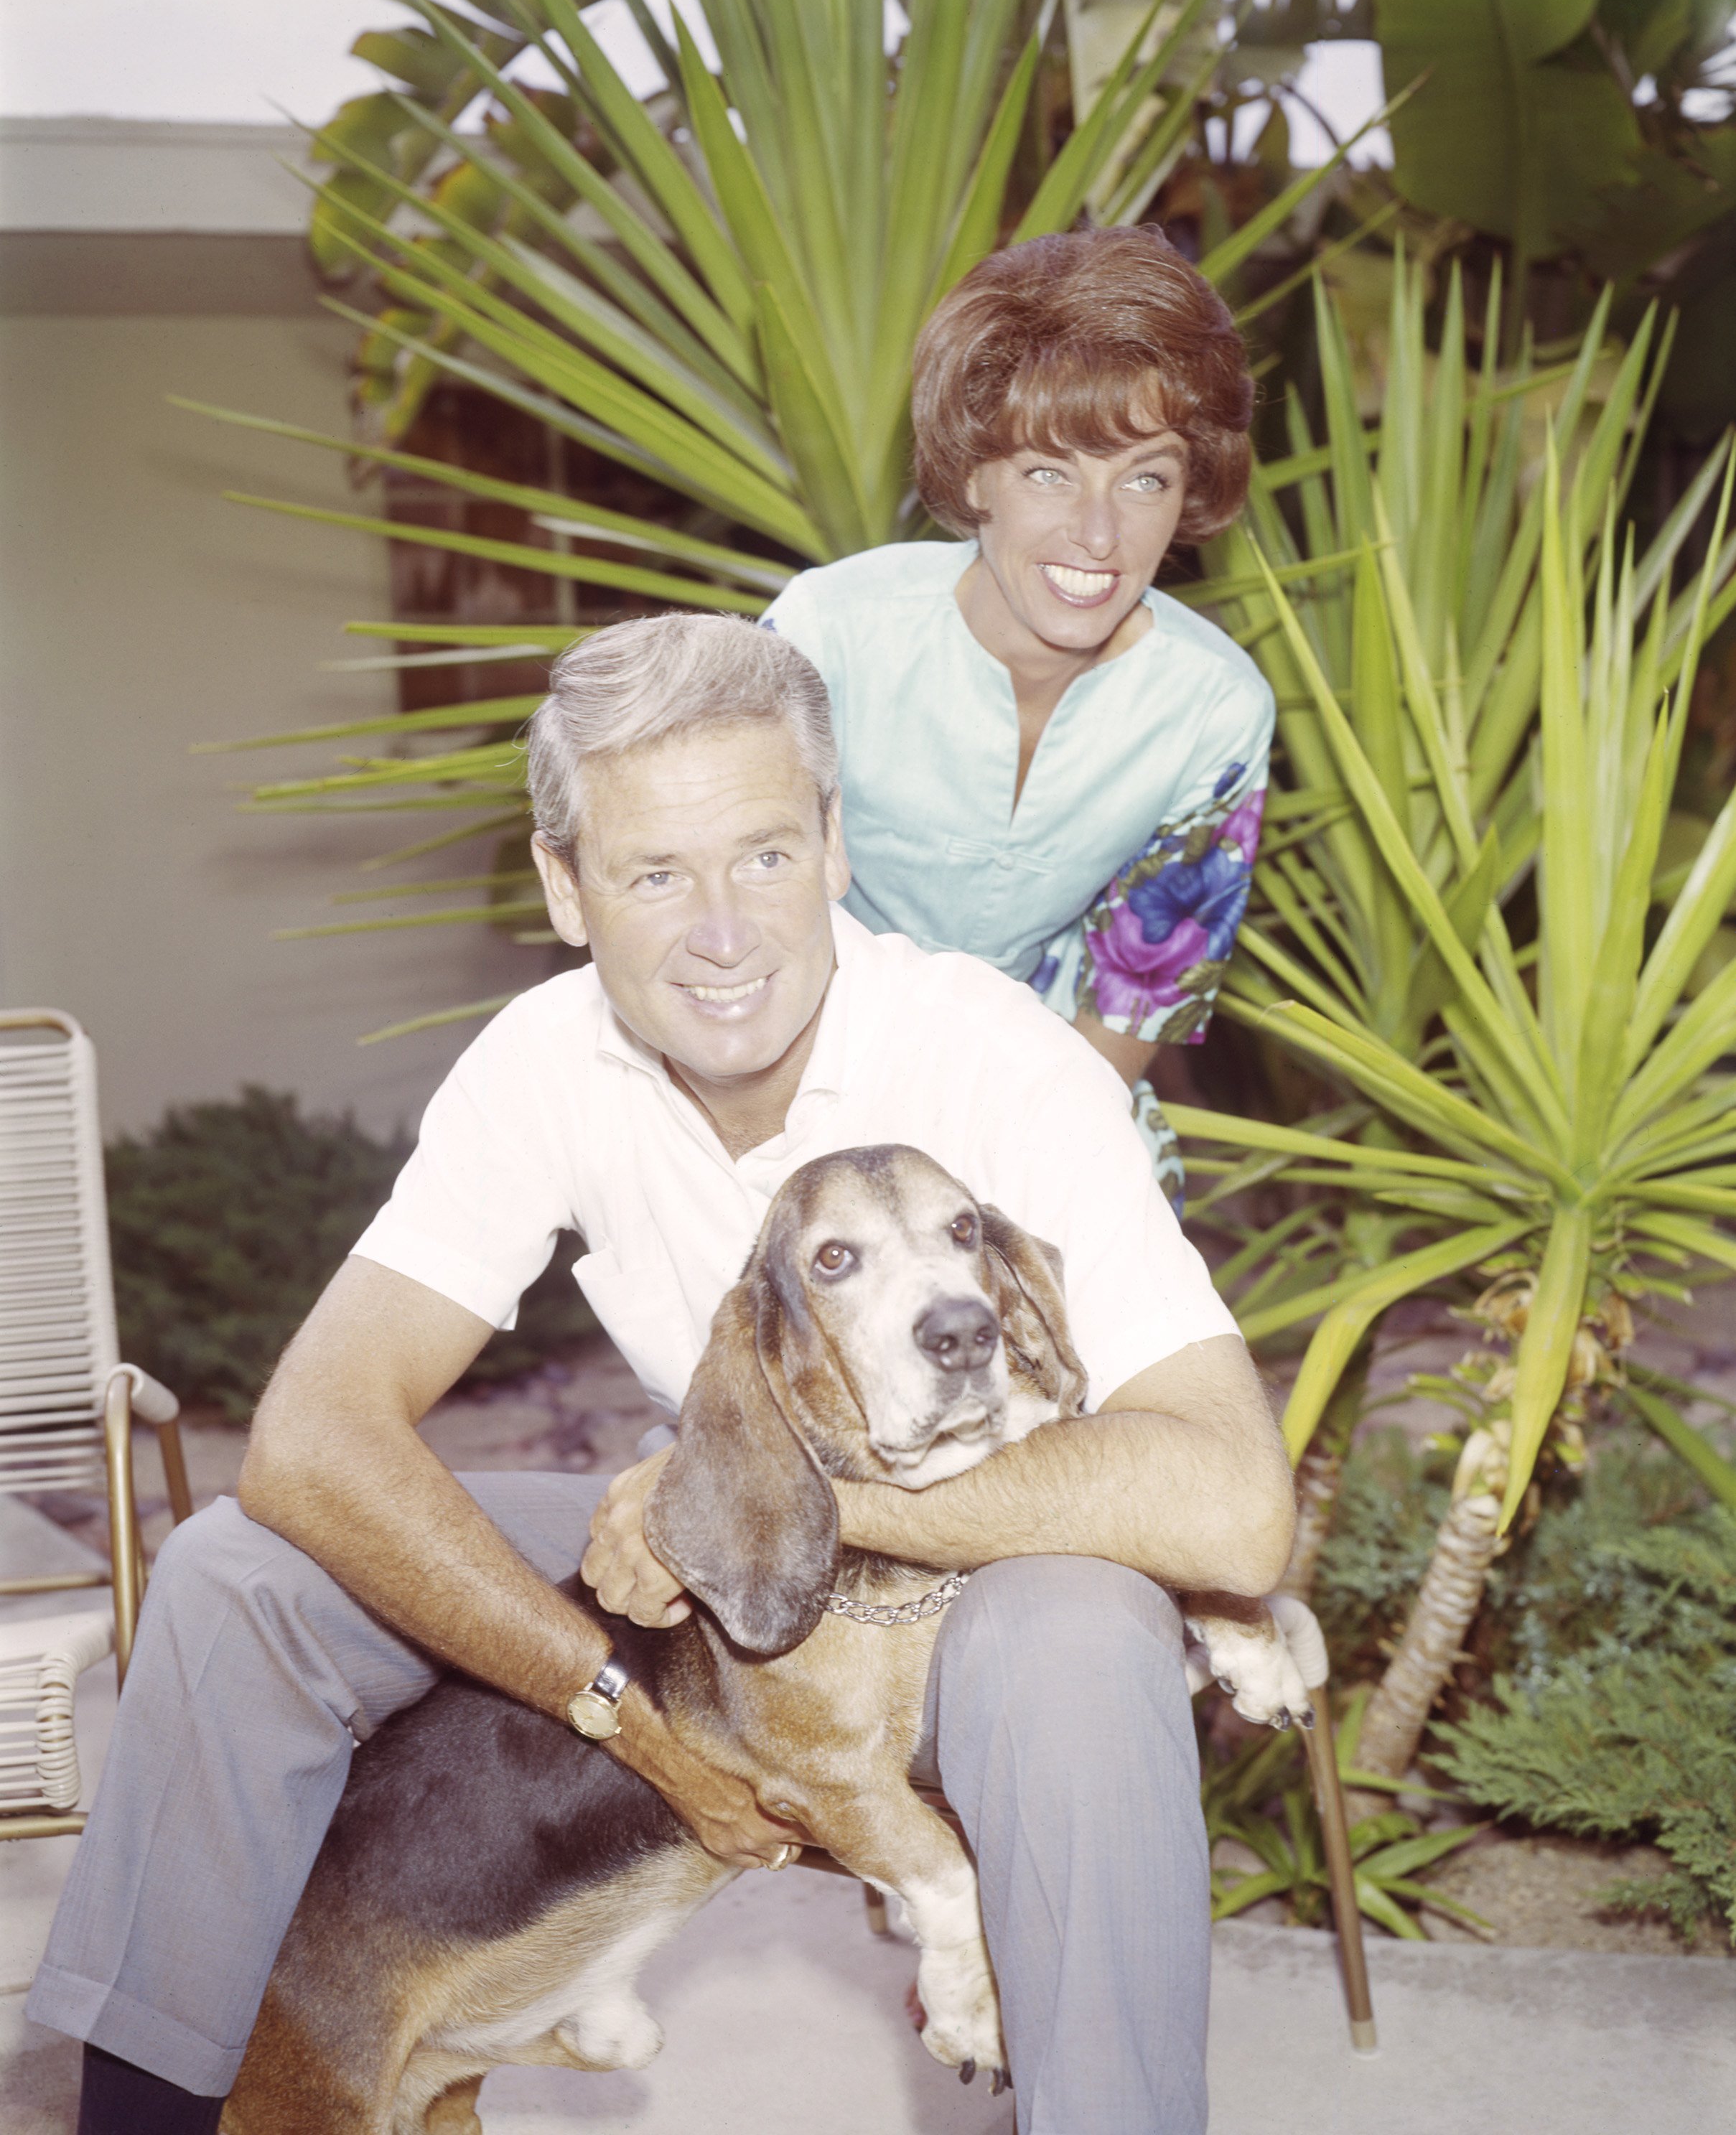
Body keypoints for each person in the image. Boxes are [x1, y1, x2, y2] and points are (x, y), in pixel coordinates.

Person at [32, 615, 1294, 2135]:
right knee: (242, 1567)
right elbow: (309, 1441)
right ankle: (150, 2111)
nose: (722, 929)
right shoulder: (547, 1059)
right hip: (707, 1525)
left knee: (1085, 1639)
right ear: (569, 890)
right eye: (652, 873)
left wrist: (760, 1502)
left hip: (960, 1556)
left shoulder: (997, 1061)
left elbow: (1231, 1509)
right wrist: (622, 1706)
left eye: (764, 855)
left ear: (834, 845)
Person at [762, 225, 1273, 1207]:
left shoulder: (1213, 709)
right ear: (973, 474)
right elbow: (742, 913)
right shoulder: (827, 634)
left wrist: (995, 1172)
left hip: (1052, 1092)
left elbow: (1137, 993)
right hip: (798, 1076)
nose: (1097, 532)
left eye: (1145, 479)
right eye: (1049, 471)